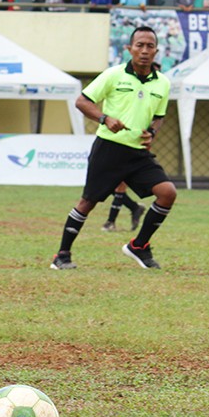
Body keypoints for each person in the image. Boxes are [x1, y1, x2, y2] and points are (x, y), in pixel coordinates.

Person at [50, 26, 176, 271]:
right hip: (109, 149)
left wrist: (152, 132)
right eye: (139, 45)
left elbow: (159, 116)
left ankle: (138, 246)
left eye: (150, 46)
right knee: (88, 202)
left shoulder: (163, 83)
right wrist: (105, 118)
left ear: (156, 51)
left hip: (138, 153)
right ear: (129, 49)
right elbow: (82, 101)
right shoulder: (113, 75)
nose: (144, 50)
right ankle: (62, 255)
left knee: (167, 193)